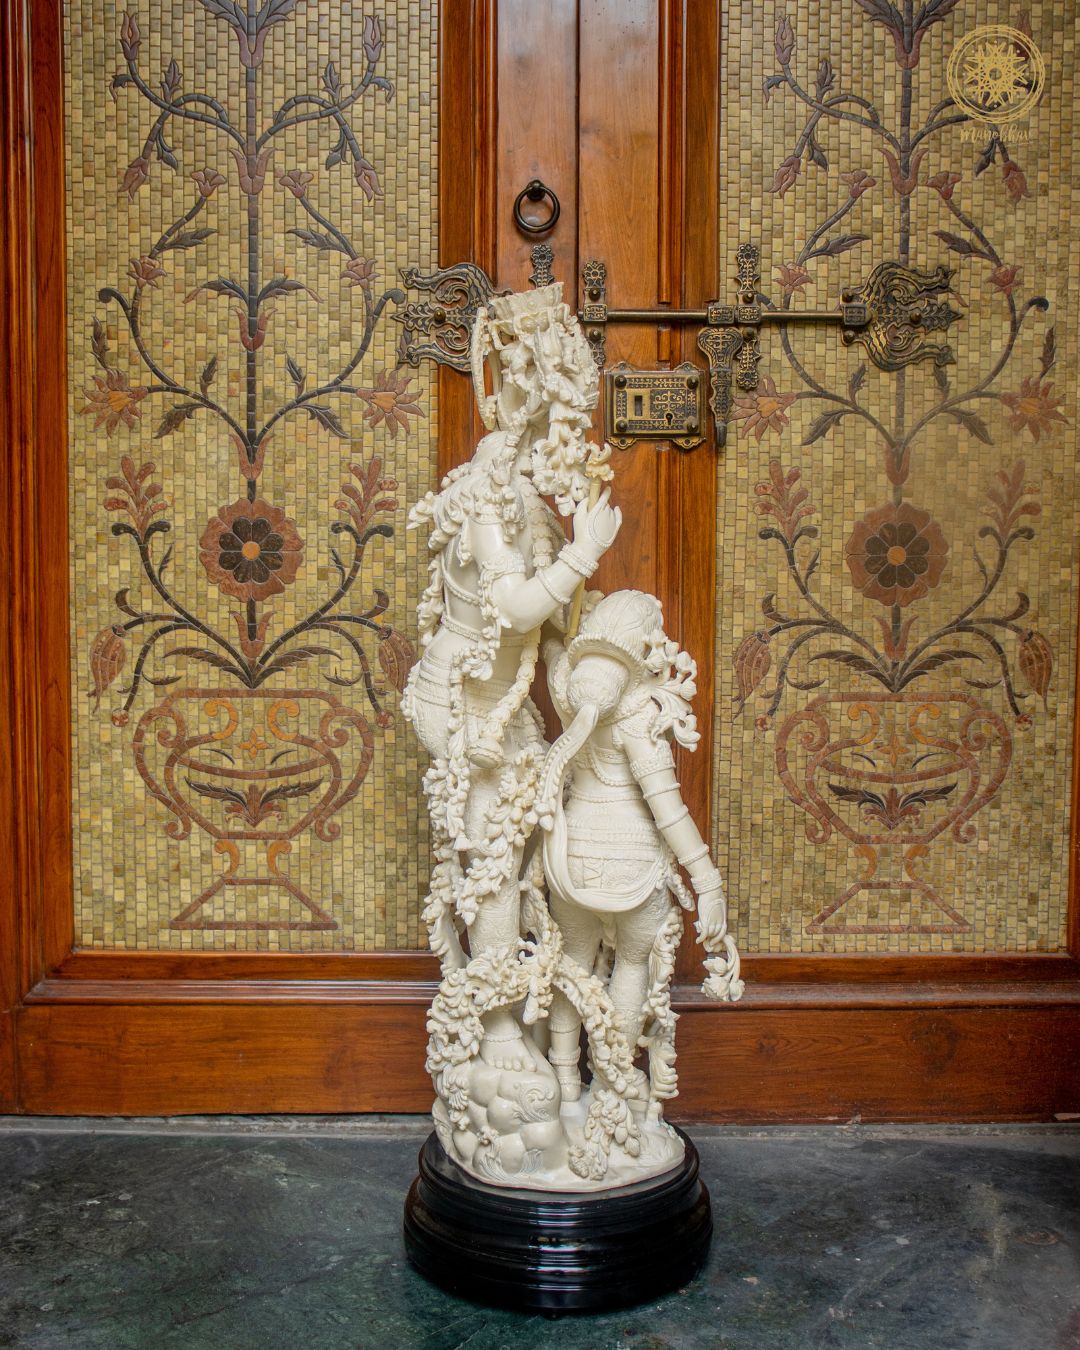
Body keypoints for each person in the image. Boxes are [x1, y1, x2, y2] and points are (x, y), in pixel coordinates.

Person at [539, 590, 743, 1114]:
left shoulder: (565, 691)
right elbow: (669, 813)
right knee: (632, 964)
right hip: (633, 865)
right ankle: (612, 1087)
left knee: (570, 962)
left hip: (568, 859)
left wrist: (566, 630)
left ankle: (564, 1083)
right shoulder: (638, 720)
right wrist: (707, 883)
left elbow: (554, 649)